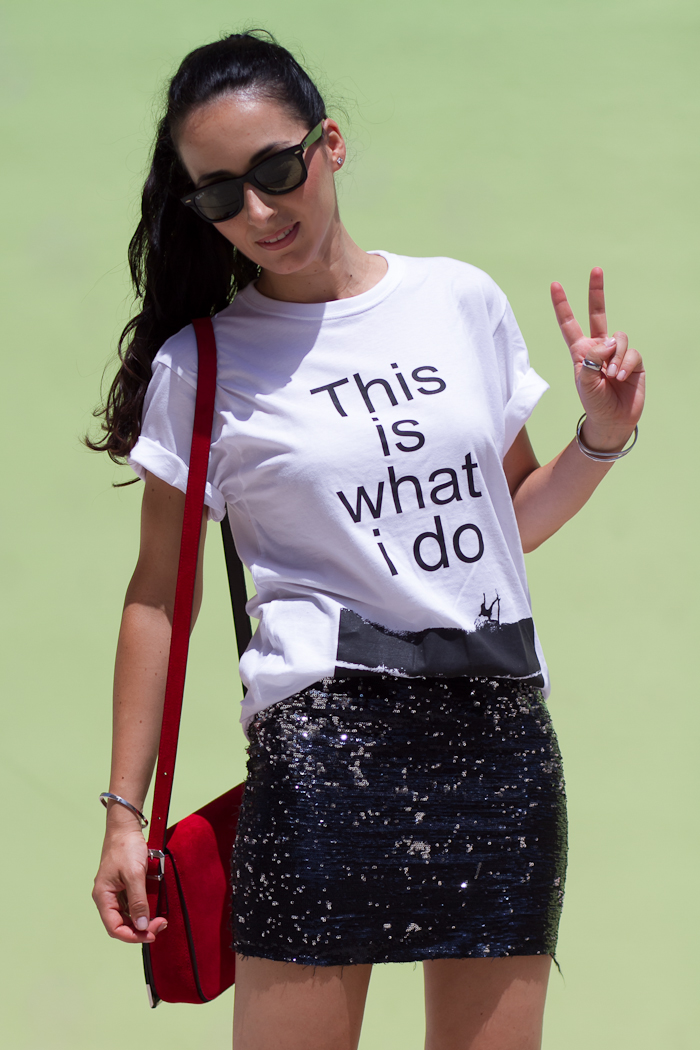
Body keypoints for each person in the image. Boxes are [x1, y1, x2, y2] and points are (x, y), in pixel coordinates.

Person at [90, 31, 645, 1050]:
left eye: (275, 169)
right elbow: (158, 597)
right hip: (321, 757)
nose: (257, 211)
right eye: (219, 194)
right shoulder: (200, 367)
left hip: (498, 743)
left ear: (329, 144)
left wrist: (602, 434)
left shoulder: (458, 302)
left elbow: (501, 529)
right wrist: (124, 816)